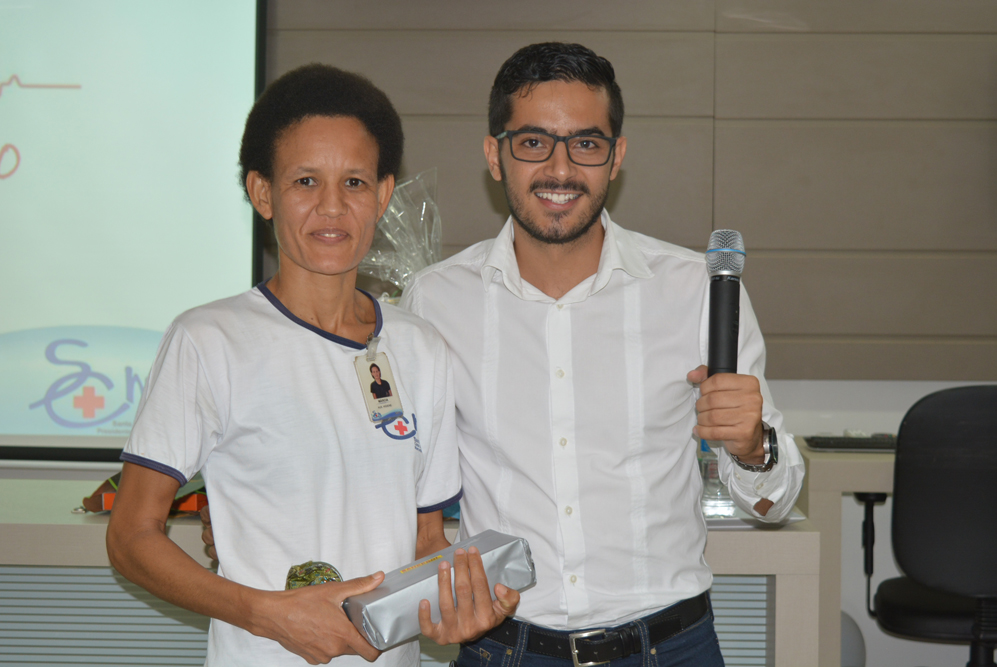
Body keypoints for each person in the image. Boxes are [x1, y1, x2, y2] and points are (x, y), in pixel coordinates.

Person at [397, 43, 806, 666]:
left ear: (616, 156)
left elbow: (773, 501)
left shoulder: (696, 290)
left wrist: (754, 446)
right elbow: (401, 476)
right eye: (533, 142)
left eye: (585, 143)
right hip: (505, 649)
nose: (560, 169)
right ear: (494, 155)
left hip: (672, 649)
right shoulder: (436, 300)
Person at [106, 64, 518, 667]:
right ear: (262, 193)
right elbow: (130, 537)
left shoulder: (420, 347)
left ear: (383, 194)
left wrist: (455, 605)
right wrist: (267, 613)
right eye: (305, 181)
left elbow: (425, 540)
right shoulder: (209, 340)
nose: (332, 207)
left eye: (354, 182)